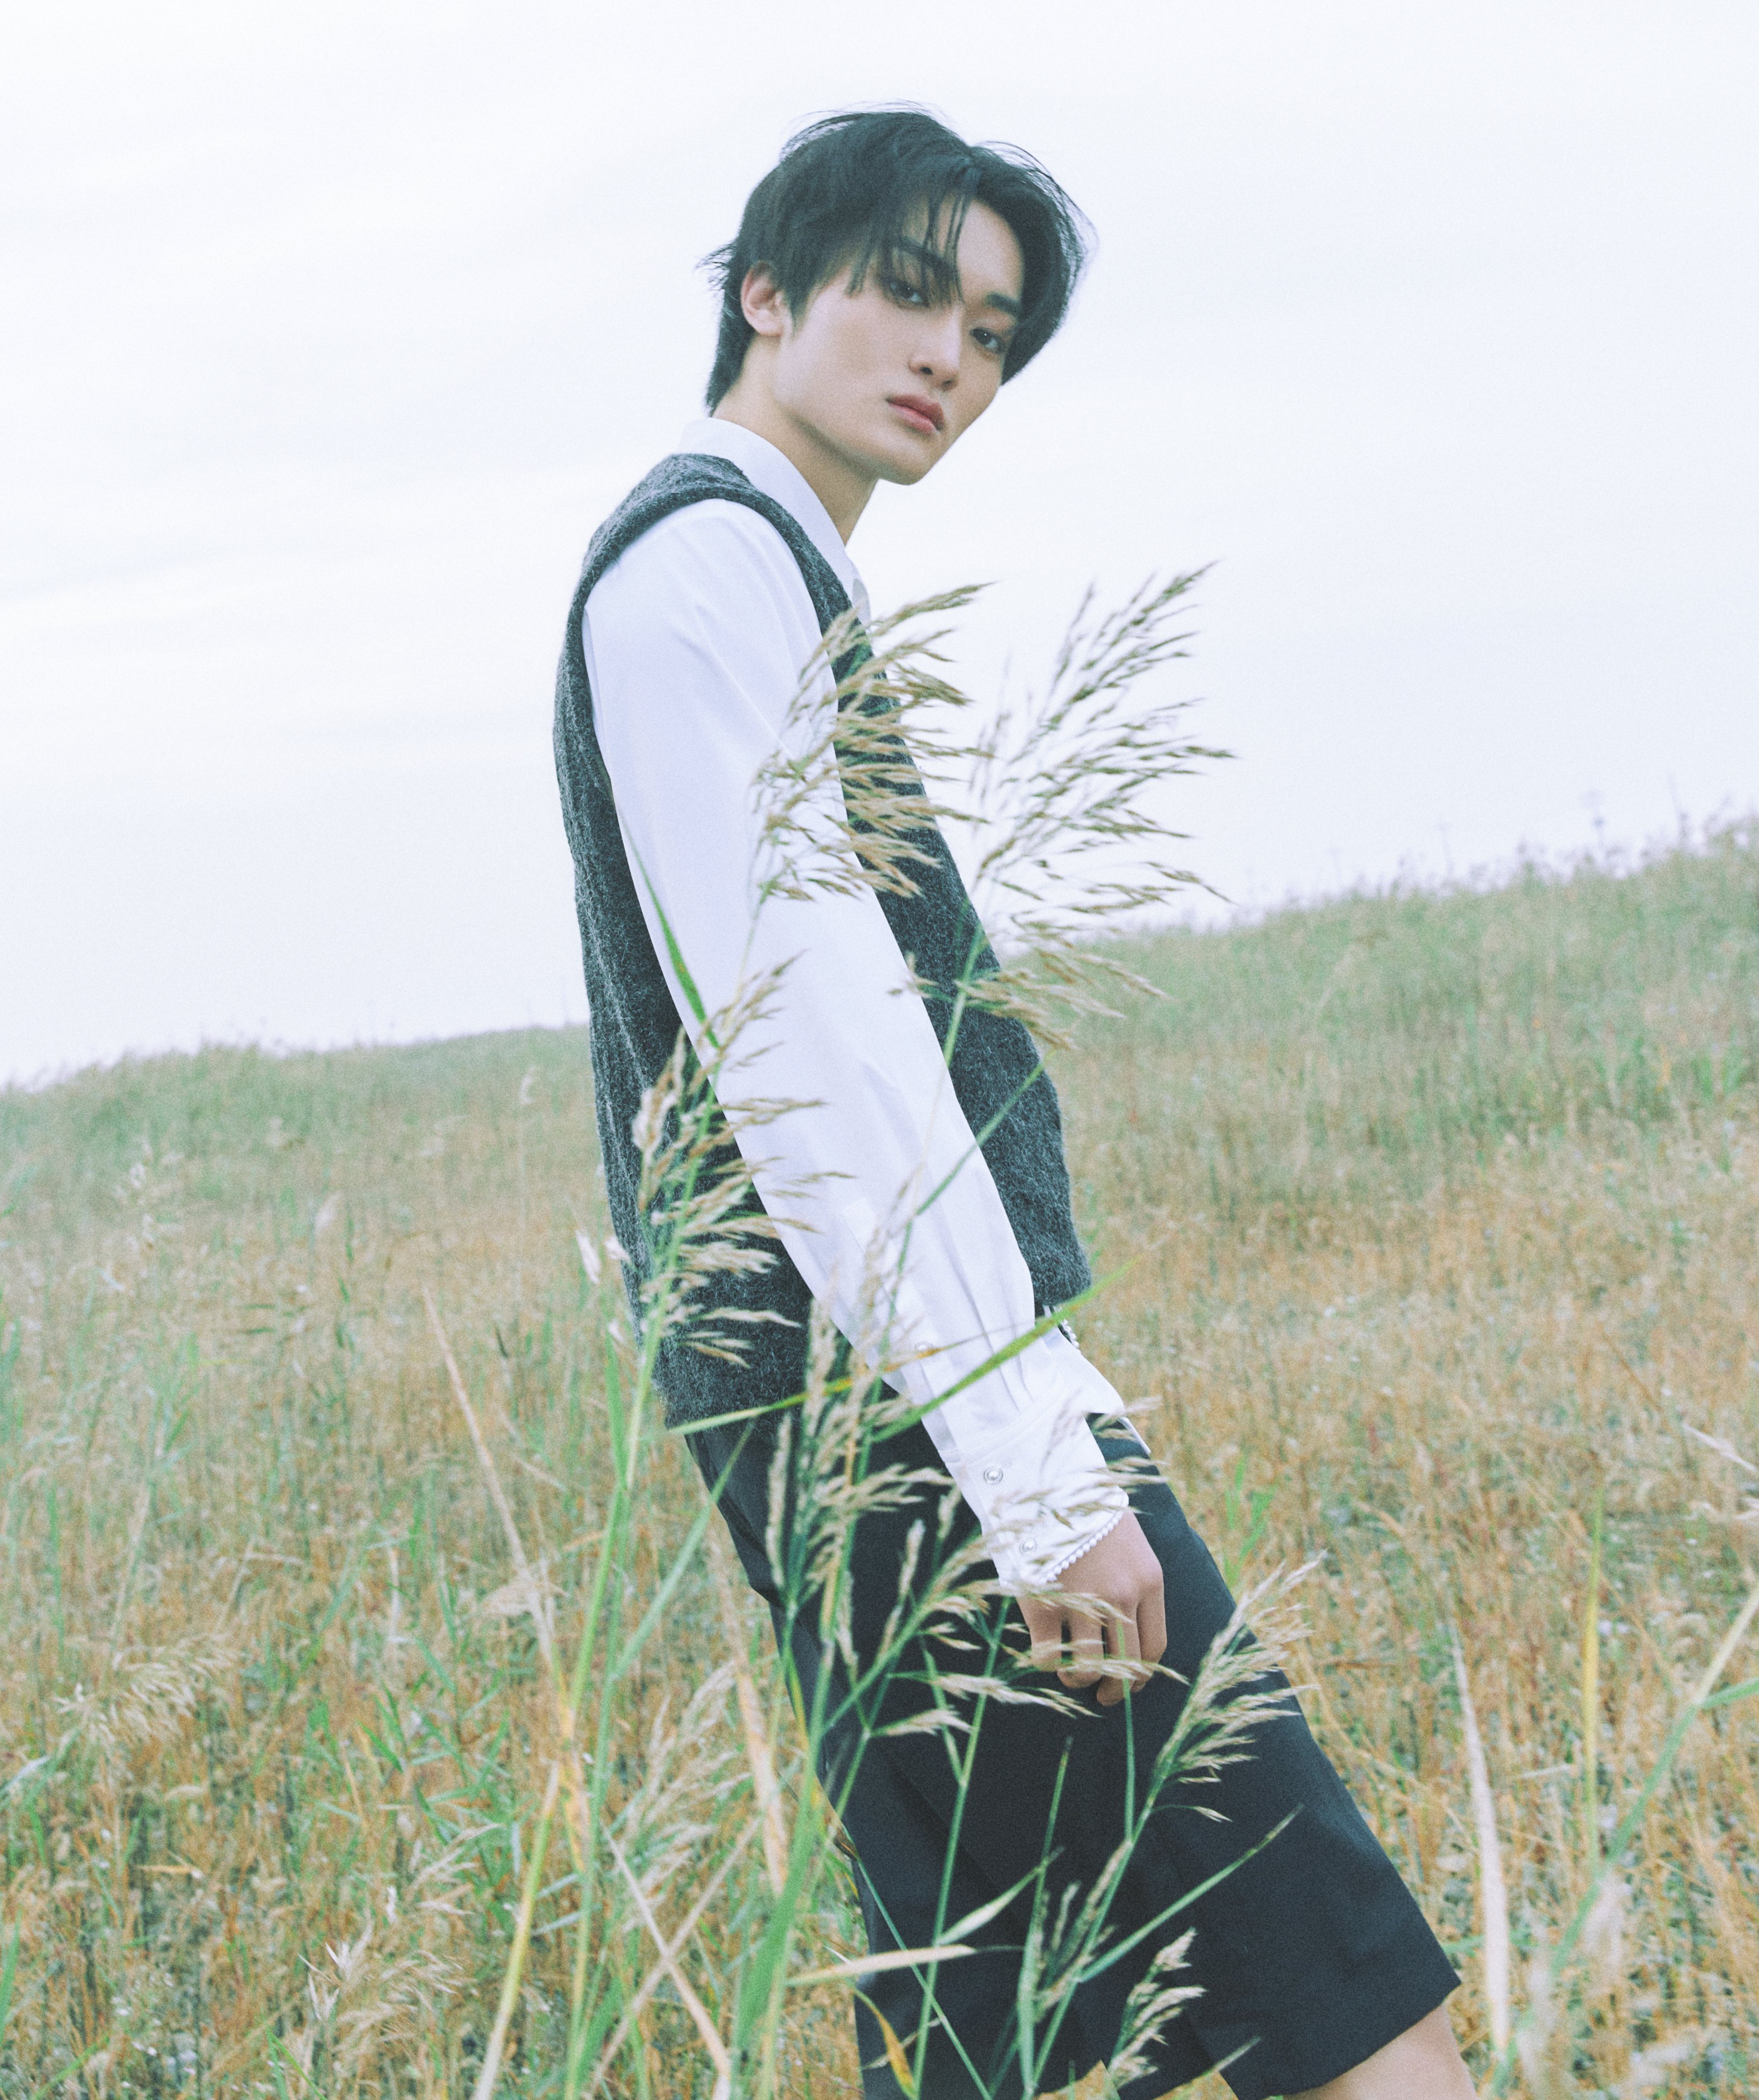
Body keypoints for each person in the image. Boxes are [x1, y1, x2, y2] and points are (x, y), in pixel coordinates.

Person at [554, 108, 1475, 2099]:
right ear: (764, 293)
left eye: (990, 332)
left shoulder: (761, 569)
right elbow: (815, 1054)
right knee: (1323, 1966)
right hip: (907, 1416)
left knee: (1015, 2016)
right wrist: (1044, 1478)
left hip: (880, 1403)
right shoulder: (702, 571)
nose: (950, 357)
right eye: (908, 294)